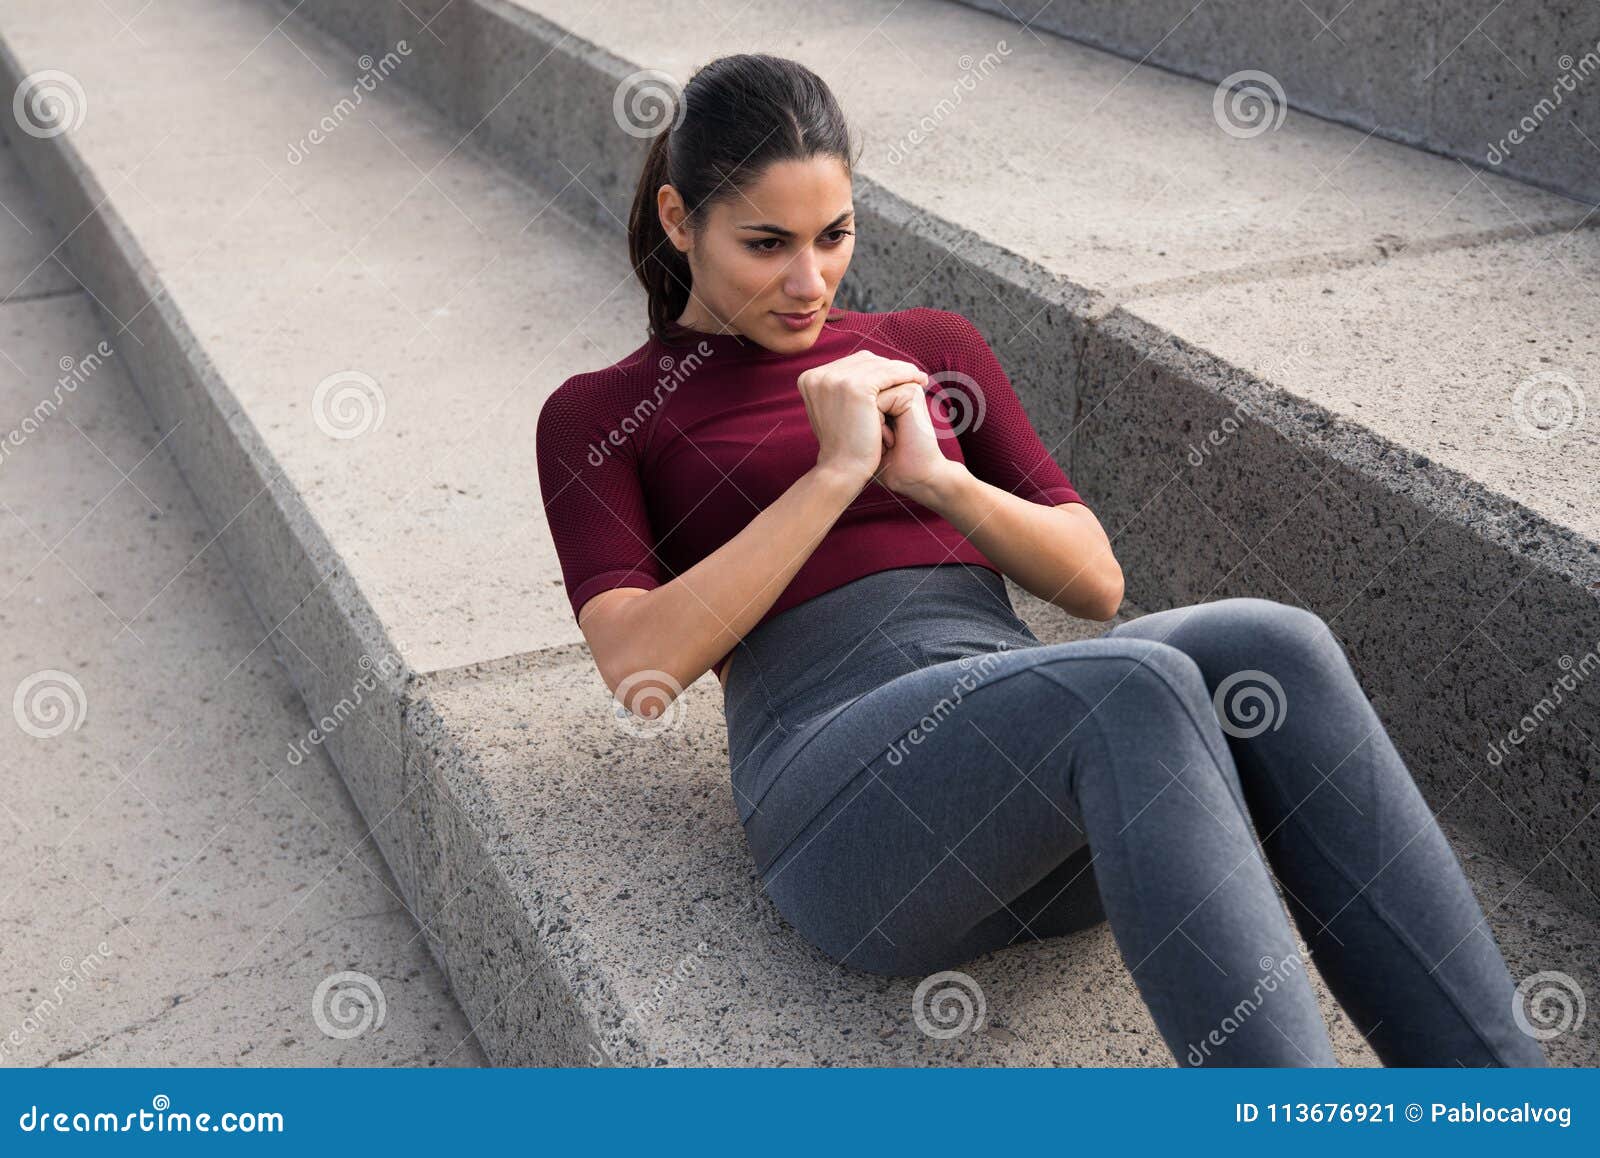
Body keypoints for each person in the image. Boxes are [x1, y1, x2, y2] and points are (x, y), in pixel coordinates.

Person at [534, 52, 1548, 1068]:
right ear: (679, 220)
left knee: (1269, 642)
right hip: (846, 806)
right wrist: (830, 480)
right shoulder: (607, 412)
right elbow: (641, 669)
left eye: (833, 235)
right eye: (766, 245)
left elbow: (1093, 583)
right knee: (1134, 686)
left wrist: (941, 484)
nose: (810, 281)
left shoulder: (923, 345)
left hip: (1033, 760)